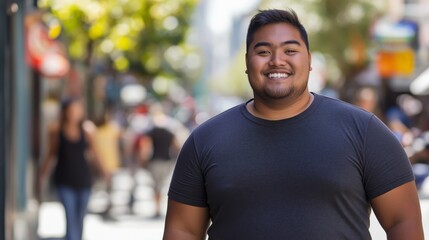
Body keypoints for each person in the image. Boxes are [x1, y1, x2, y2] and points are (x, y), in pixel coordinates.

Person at [163, 9, 424, 239]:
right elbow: (182, 230)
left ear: (309, 61)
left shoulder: (364, 130)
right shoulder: (205, 140)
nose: (277, 60)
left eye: (290, 50)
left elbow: (403, 221)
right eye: (263, 51)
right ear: (246, 62)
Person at [38, 97, 107, 240]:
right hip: (64, 180)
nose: (74, 113)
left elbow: (95, 154)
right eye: (71, 110)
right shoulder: (56, 131)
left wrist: (104, 171)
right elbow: (51, 154)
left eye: (77, 110)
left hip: (83, 179)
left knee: (80, 219)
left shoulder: (87, 130)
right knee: (70, 218)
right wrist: (42, 175)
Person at [137, 108, 180, 218]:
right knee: (162, 186)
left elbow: (145, 148)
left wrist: (143, 161)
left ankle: (157, 208)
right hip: (166, 161)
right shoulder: (169, 131)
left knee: (156, 186)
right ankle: (159, 208)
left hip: (155, 162)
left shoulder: (150, 132)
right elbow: (176, 146)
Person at [93, 110, 122, 220]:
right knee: (103, 185)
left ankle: (108, 205)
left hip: (111, 163)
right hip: (102, 162)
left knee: (109, 186)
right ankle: (106, 204)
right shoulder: (96, 131)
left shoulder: (111, 129)